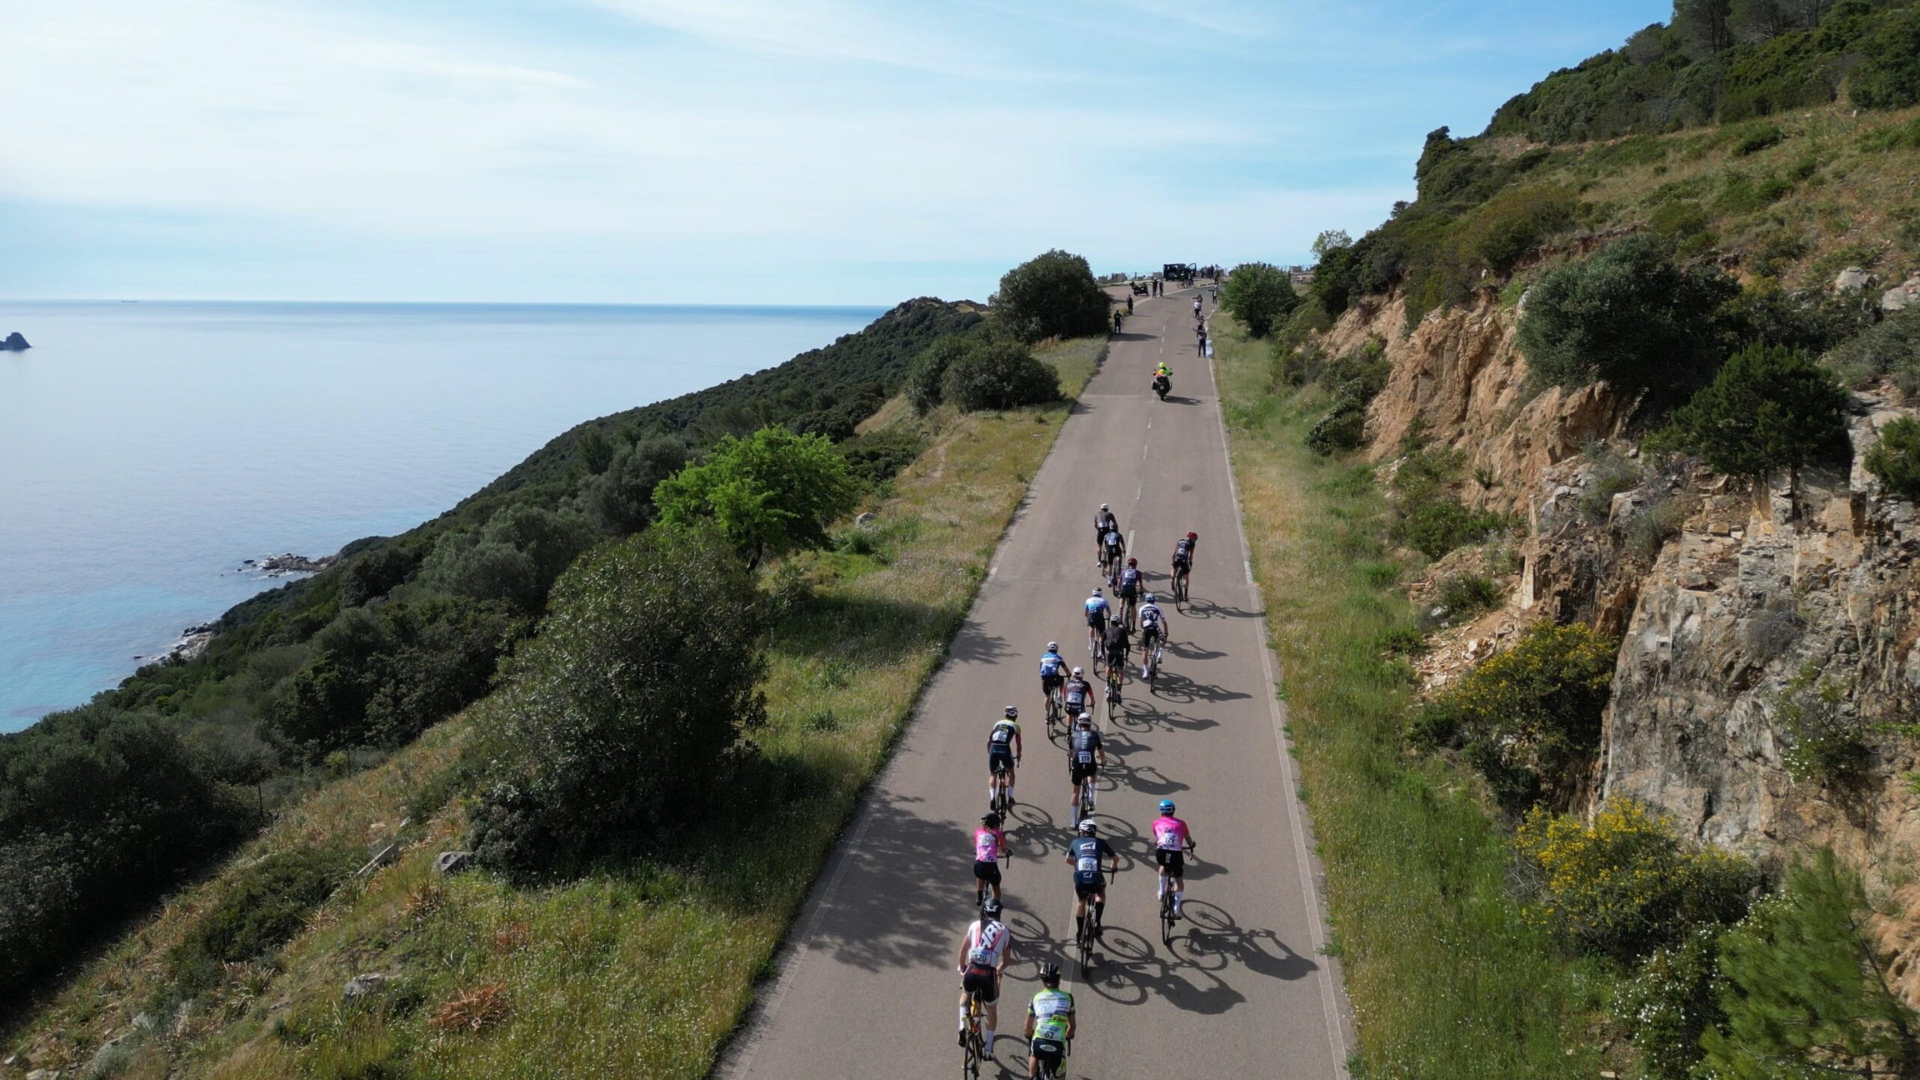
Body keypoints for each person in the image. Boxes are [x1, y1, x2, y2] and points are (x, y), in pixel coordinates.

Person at [956, 896, 1013, 1057]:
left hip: (972, 970)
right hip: (988, 974)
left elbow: (962, 951)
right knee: (992, 1009)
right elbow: (1007, 960)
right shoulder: (1005, 931)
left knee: (965, 994)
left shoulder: (974, 925)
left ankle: (961, 1026)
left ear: (984, 912)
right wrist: (999, 970)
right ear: (999, 913)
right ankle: (988, 1049)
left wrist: (962, 967)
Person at [1066, 819, 1117, 939]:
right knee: (1100, 893)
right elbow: (1116, 858)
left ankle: (1079, 933)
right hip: (1096, 877)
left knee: (1081, 901)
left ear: (1081, 832)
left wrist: (1078, 864)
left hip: (1080, 877)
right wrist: (1113, 868)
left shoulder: (1075, 842)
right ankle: (1097, 922)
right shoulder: (1100, 842)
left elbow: (1067, 860)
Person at [1025, 963, 1076, 1079]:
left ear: (1043, 981)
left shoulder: (1035, 998)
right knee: (1061, 1076)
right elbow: (1072, 1026)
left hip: (1040, 1040)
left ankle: (1031, 1076)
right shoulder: (1068, 998)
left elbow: (1027, 1026)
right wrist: (1068, 1036)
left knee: (1034, 1054)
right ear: (1058, 980)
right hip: (1057, 1044)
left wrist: (1028, 1034)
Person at [1151, 799, 1198, 919]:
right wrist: (1191, 845)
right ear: (1174, 811)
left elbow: (1157, 837)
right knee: (1179, 881)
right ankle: (1176, 908)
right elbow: (1188, 838)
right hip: (1176, 855)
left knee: (1163, 866)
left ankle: (1161, 892)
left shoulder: (1155, 822)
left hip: (1161, 853)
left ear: (1161, 812)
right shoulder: (1181, 824)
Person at [1066, 713, 1105, 824]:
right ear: (1090, 723)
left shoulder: (1073, 735)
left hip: (1077, 765)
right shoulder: (1095, 735)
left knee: (1075, 791)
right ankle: (1091, 798)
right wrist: (1103, 762)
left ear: (1079, 723)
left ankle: (1073, 821)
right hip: (1090, 764)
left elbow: (1071, 753)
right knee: (1092, 775)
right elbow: (1101, 752)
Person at [988, 707, 1022, 807]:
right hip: (1005, 750)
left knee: (993, 774)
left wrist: (989, 753)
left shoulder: (997, 723)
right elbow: (1018, 744)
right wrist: (1019, 754)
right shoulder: (1016, 726)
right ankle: (1010, 797)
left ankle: (992, 797)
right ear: (1015, 716)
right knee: (1011, 772)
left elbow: (988, 741)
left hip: (993, 748)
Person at [973, 812, 1007, 906]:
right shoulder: (997, 833)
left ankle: (979, 895)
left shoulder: (978, 832)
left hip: (978, 866)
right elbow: (1002, 849)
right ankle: (994, 906)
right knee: (996, 887)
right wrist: (1007, 852)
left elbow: (976, 846)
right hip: (991, 866)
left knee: (980, 876)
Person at [1137, 593, 1165, 675]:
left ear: (1146, 600)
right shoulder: (1158, 608)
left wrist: (1143, 629)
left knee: (1145, 650)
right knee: (1162, 640)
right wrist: (1166, 633)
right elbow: (1164, 622)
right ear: (1154, 600)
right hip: (1155, 627)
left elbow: (1141, 622)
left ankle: (1145, 670)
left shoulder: (1141, 608)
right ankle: (1159, 653)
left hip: (1146, 629)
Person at [1038, 642, 1066, 716]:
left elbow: (1040, 668)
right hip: (1054, 678)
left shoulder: (1043, 657)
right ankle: (1059, 696)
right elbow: (1065, 669)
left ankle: (1047, 713)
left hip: (1044, 678)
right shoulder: (1059, 658)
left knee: (1047, 696)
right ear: (1057, 649)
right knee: (1062, 680)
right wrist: (1069, 674)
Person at [1082, 589, 1110, 656]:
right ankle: (1100, 649)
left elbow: (1085, 613)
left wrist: (1088, 619)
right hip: (1100, 618)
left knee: (1091, 627)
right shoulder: (1104, 600)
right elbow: (1109, 611)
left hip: (1091, 617)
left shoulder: (1088, 600)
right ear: (1101, 593)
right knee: (1101, 633)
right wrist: (1108, 617)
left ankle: (1091, 644)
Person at [1116, 557, 1142, 624]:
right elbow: (1141, 585)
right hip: (1132, 590)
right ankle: (1133, 625)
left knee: (1122, 597)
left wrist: (1119, 590)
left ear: (1128, 565)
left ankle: (1120, 613)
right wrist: (1141, 592)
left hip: (1124, 589)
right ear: (1135, 565)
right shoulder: (1138, 573)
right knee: (1133, 606)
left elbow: (1119, 582)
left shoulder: (1123, 571)